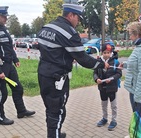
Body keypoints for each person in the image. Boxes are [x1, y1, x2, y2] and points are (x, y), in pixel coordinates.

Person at [36, 3, 109, 138]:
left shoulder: (47, 27)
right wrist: (100, 64)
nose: (78, 21)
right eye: (78, 18)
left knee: (51, 110)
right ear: (71, 15)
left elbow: (49, 50)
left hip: (43, 74)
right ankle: (54, 134)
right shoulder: (69, 33)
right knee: (56, 112)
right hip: (57, 78)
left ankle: (55, 132)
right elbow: (83, 59)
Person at [0, 6, 35, 125]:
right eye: (4, 16)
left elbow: (8, 46)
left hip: (9, 64)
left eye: (6, 16)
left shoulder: (3, 28)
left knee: (18, 88)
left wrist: (15, 59)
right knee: (1, 93)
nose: (6, 19)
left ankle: (21, 111)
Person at [93, 44, 122, 131]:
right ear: (102, 53)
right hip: (102, 87)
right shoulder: (98, 62)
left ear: (111, 53)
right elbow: (94, 73)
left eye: (108, 53)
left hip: (112, 87)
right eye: (104, 52)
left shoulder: (115, 62)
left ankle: (114, 120)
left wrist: (111, 79)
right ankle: (104, 118)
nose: (106, 54)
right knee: (104, 104)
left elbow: (119, 74)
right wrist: (96, 79)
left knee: (113, 105)